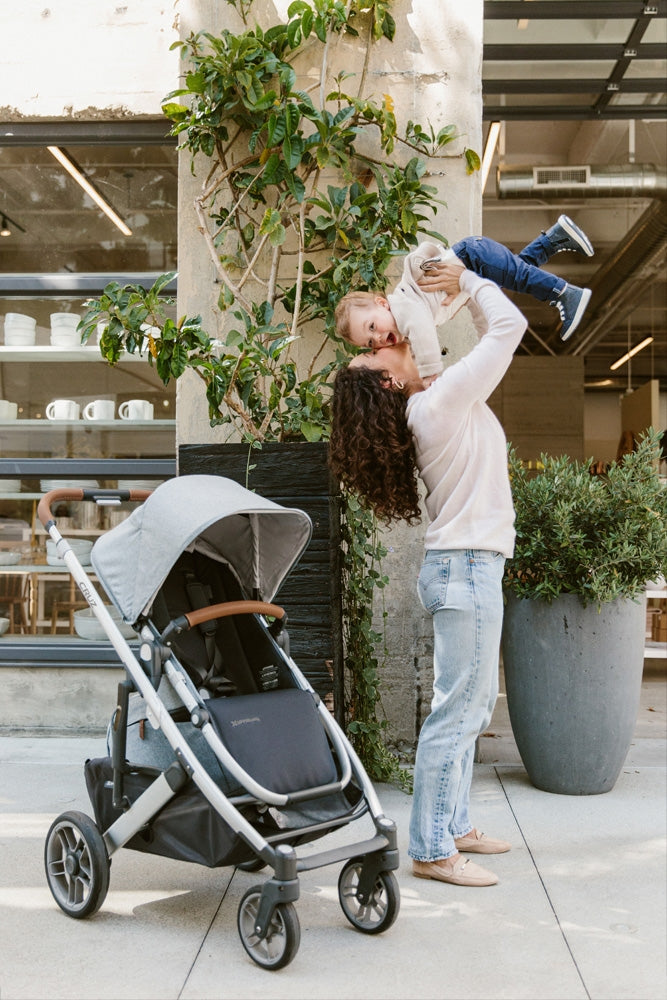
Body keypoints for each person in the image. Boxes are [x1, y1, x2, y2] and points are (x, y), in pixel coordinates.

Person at [329, 262, 528, 886]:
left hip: (468, 566)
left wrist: (443, 293)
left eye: (379, 337)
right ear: (387, 385)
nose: (387, 341)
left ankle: (456, 823)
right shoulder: (437, 403)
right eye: (374, 352)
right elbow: (510, 324)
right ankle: (434, 849)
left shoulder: (435, 398)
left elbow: (434, 328)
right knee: (458, 714)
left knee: (469, 709)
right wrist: (468, 281)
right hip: (466, 568)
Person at [335, 215, 593, 362]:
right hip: (474, 260)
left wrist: (431, 374)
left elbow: (424, 337)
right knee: (515, 273)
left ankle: (564, 293)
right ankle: (555, 238)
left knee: (519, 276)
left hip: (473, 256)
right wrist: (488, 339)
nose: (378, 338)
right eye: (370, 343)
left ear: (382, 303)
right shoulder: (416, 315)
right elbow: (473, 303)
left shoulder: (405, 309)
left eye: (372, 327)